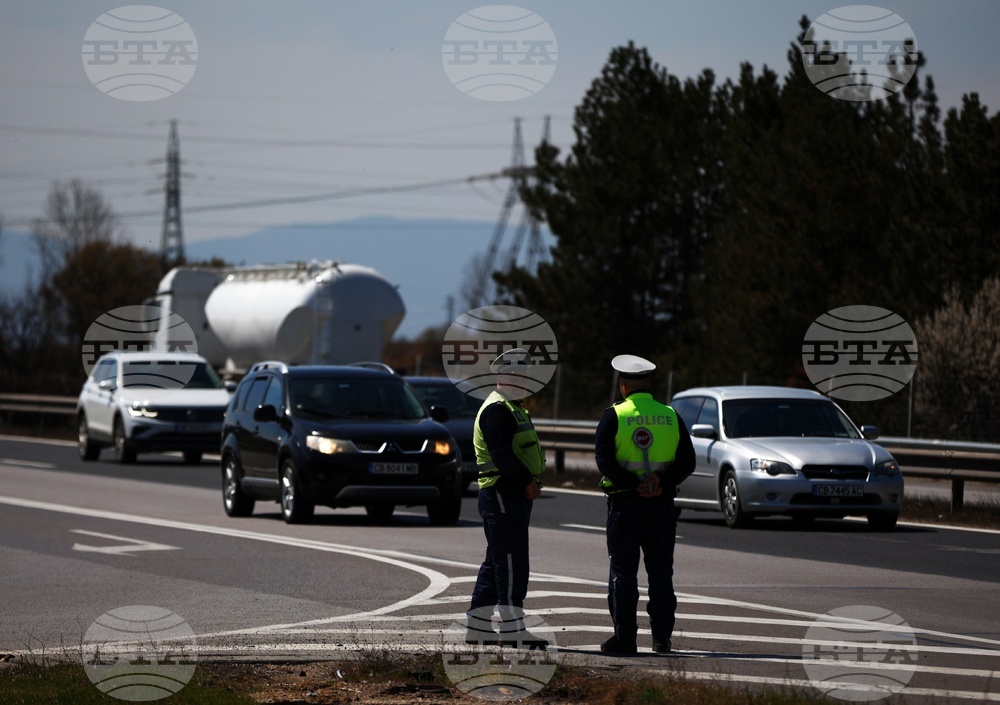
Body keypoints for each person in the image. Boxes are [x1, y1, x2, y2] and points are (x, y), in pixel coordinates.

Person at [595, 354, 696, 655]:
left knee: (623, 573)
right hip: (662, 505)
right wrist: (661, 482)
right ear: (649, 383)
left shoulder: (614, 415)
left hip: (625, 504)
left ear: (623, 386)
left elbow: (604, 459)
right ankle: (662, 639)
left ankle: (625, 639)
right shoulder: (670, 415)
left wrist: (632, 483)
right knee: (661, 574)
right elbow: (687, 461)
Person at [466, 348, 548, 649]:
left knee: (498, 562)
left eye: (525, 377)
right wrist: (527, 481)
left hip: (507, 494)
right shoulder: (498, 410)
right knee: (511, 565)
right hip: (503, 493)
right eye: (516, 376)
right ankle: (512, 630)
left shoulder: (511, 408)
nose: (522, 382)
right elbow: (502, 455)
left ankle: (478, 627)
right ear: (501, 378)